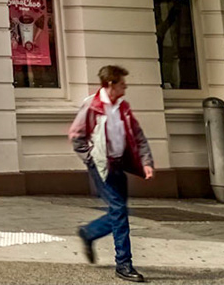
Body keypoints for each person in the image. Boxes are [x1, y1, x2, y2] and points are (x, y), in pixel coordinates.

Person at [70, 64, 154, 283]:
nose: (125, 89)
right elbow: (76, 136)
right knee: (119, 211)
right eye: (122, 84)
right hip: (101, 166)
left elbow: (138, 136)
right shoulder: (92, 106)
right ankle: (124, 264)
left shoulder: (123, 107)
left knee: (120, 212)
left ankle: (89, 232)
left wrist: (146, 162)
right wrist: (91, 158)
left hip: (118, 164)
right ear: (110, 84)